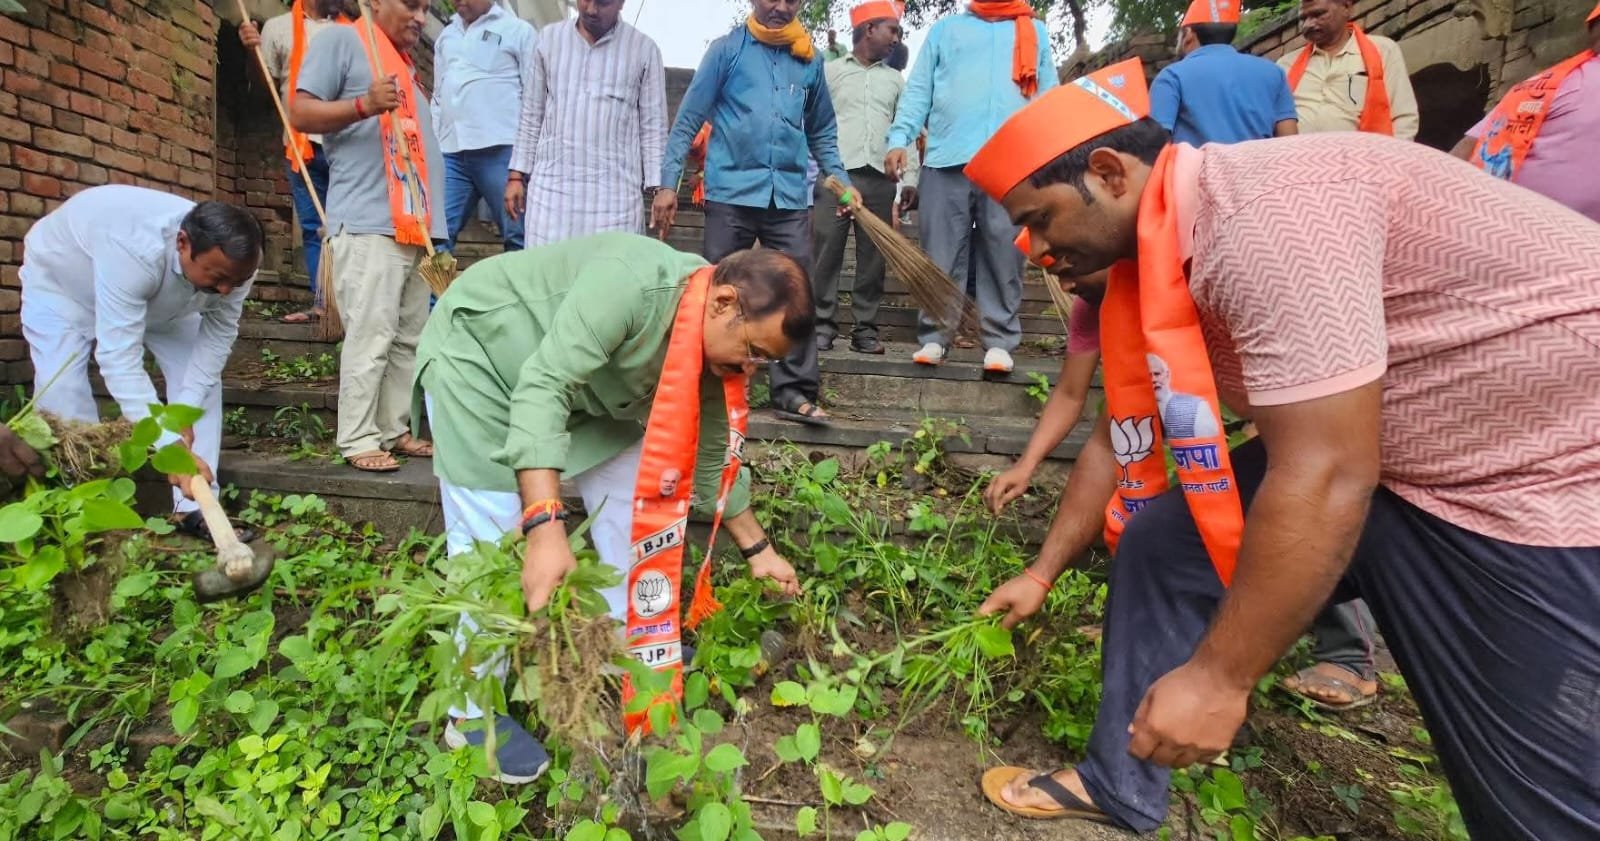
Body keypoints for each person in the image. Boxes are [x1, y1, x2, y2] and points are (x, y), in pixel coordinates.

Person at [965, 58, 1600, 838]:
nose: (1035, 248)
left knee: (1536, 782)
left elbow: (1328, 472)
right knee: (1166, 545)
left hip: (1534, 469)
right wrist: (1039, 571)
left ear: (1108, 173)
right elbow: (1120, 431)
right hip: (1395, 445)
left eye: (1041, 219)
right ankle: (1118, 780)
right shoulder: (1154, 257)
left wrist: (1220, 676)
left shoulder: (1267, 218)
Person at [414, 233, 807, 781]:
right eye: (754, 350)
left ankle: (623, 641)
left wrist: (757, 548)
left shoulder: (706, 326)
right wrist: (545, 527)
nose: (754, 367)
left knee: (635, 506)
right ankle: (471, 714)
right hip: (484, 367)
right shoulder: (631, 284)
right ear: (724, 303)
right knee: (493, 548)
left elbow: (713, 446)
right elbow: (542, 387)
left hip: (591, 396)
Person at [19, 186, 263, 539]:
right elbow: (119, 358)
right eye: (218, 278)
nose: (227, 290)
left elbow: (217, 338)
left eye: (235, 282)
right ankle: (85, 512)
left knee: (202, 386)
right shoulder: (133, 248)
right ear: (183, 243)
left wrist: (183, 411)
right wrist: (168, 443)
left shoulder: (237, 264)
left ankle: (196, 507)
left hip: (169, 301)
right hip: (66, 287)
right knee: (63, 393)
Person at [654, 0, 850, 427]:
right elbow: (688, 121)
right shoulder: (726, 51)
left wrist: (841, 180)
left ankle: (794, 391)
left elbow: (821, 130)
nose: (780, 7)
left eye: (791, 0)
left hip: (790, 198)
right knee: (715, 288)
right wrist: (669, 183)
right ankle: (702, 384)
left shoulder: (809, 60)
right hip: (731, 192)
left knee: (798, 292)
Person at [290, 0, 442, 473]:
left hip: (415, 226)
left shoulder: (404, 64)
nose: (420, 17)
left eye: (426, 9)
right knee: (372, 334)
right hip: (367, 221)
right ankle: (357, 437)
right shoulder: (343, 40)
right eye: (411, 5)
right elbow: (299, 110)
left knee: (408, 337)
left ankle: (394, 427)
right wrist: (364, 104)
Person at [886, 1, 1056, 374]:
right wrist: (900, 137)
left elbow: (1048, 98)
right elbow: (919, 90)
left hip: (1011, 162)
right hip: (948, 155)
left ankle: (999, 342)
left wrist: (1051, 154)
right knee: (940, 251)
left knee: (1004, 251)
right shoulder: (945, 31)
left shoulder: (1034, 33)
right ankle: (934, 336)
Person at [506, 0, 668, 246]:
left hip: (615, 202)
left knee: (611, 280)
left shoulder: (644, 50)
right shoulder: (548, 40)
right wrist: (516, 176)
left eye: (603, 2)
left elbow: (653, 127)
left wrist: (661, 188)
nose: (591, 10)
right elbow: (531, 114)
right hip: (551, 197)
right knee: (546, 279)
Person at [811, 2, 915, 356]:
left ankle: (865, 330)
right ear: (869, 29)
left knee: (874, 260)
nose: (896, 39)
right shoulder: (829, 72)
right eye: (892, 30)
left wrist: (909, 179)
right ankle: (821, 326)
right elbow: (813, 123)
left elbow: (906, 129)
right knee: (825, 253)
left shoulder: (895, 80)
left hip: (879, 181)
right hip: (834, 179)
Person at [238, 0, 349, 324]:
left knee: (350, 231)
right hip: (301, 146)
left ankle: (352, 306)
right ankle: (324, 307)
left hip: (348, 146)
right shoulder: (278, 27)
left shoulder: (352, 30)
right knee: (315, 230)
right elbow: (264, 85)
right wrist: (251, 50)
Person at [985, 234, 1104, 517]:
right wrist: (1025, 466)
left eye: (1069, 271)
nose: (1066, 287)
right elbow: (1069, 393)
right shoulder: (1090, 308)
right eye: (1058, 276)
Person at [1450, 0, 1600, 223]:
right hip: (1523, 232)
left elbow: (1465, 150)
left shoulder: (1549, 81)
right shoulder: (1563, 82)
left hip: (1490, 223)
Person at [431, 0, 534, 252]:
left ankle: (520, 292)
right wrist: (433, 147)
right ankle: (438, 293)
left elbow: (536, 98)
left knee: (517, 236)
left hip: (502, 152)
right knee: (437, 236)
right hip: (452, 152)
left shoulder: (518, 31)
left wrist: (522, 167)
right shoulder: (446, 35)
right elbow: (437, 96)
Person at [1149, 0, 1298, 145]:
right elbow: (1290, 144)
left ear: (1188, 34)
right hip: (1262, 170)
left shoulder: (1171, 77)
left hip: (1197, 170)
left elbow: (1156, 149)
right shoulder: (1274, 73)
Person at [1277, 0, 1418, 140]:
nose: (1308, 24)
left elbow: (1403, 117)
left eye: (1318, 14)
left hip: (1364, 158)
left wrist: (1391, 159)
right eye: (1303, 18)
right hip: (1298, 159)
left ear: (1346, 8)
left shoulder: (1383, 50)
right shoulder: (1286, 65)